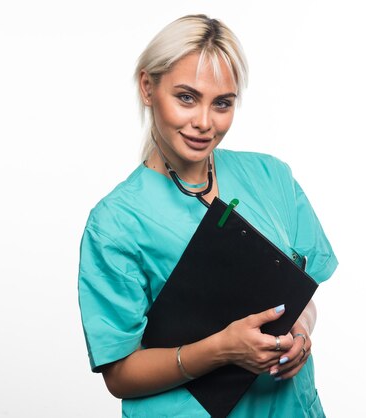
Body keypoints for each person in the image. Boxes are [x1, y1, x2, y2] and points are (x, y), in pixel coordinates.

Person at [78, 14, 338, 418]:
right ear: (148, 88)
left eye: (222, 103)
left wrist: (300, 335)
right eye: (186, 97)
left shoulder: (271, 177)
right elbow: (119, 374)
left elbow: (300, 292)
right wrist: (221, 350)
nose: (204, 122)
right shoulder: (116, 223)